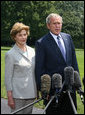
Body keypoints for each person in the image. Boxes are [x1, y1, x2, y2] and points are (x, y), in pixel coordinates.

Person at [35, 13, 79, 114]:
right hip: (53, 90)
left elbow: (74, 62)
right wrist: (42, 89)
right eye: (54, 23)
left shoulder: (68, 38)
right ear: (48, 25)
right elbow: (39, 68)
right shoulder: (41, 43)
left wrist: (76, 83)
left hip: (70, 87)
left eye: (59, 23)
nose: (57, 26)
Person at [5, 22, 37, 114]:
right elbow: (8, 77)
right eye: (20, 35)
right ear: (14, 37)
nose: (23, 37)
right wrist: (10, 97)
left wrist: (37, 90)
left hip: (31, 93)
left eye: (25, 34)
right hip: (17, 95)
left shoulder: (32, 51)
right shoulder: (10, 54)